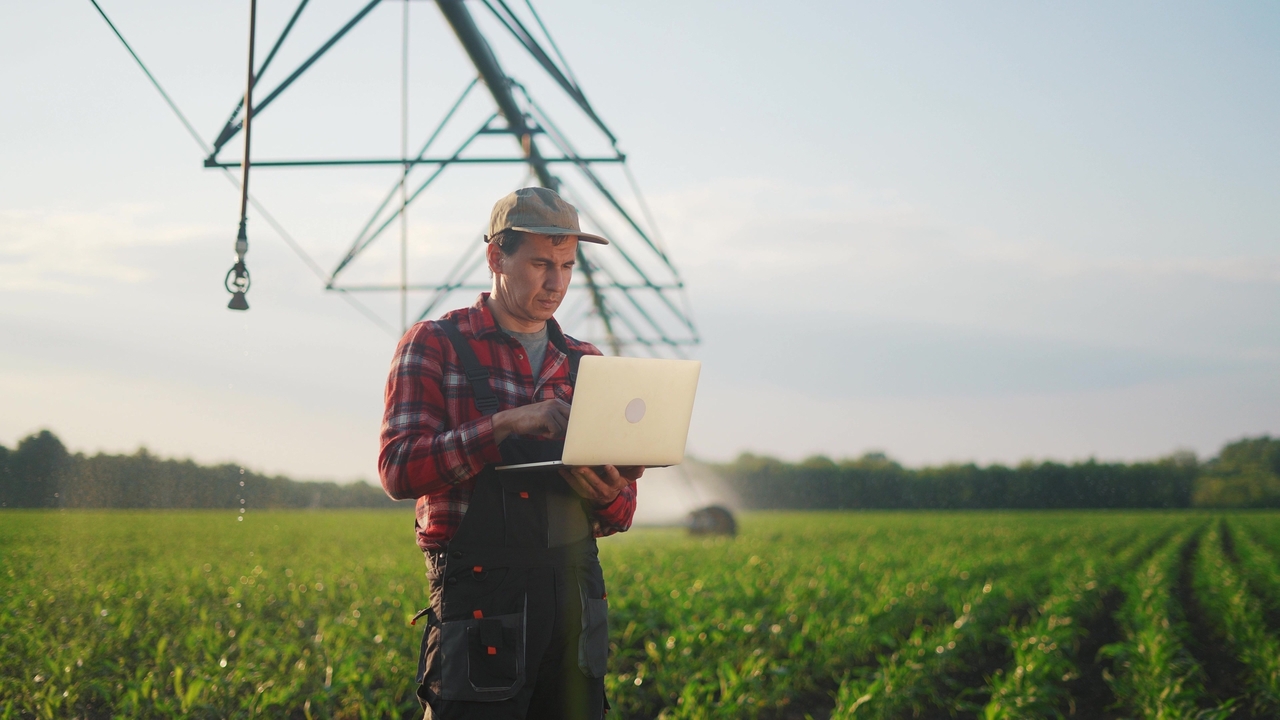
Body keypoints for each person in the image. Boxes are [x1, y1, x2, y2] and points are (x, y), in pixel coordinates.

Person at [379, 187, 643, 720]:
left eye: (567, 266)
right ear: (496, 257)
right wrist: (502, 425)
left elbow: (623, 513)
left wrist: (611, 494)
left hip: (574, 604)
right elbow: (399, 468)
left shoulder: (586, 363)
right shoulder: (435, 344)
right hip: (478, 609)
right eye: (542, 264)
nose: (557, 283)